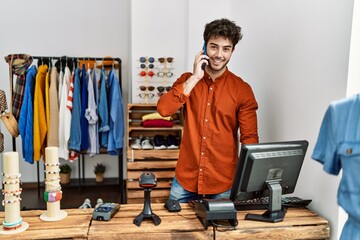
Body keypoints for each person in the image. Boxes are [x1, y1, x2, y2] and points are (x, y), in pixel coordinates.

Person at [157, 18, 259, 203]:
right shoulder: (187, 81)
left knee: (219, 231)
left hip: (223, 184)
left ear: (232, 51)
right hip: (185, 181)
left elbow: (250, 140)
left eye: (226, 48)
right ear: (204, 48)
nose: (219, 54)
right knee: (176, 230)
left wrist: (248, 185)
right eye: (214, 47)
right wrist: (195, 77)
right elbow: (164, 109)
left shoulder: (243, 90)